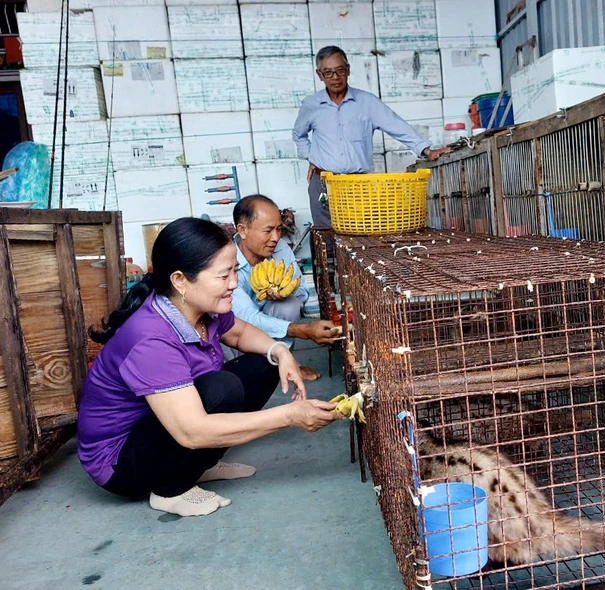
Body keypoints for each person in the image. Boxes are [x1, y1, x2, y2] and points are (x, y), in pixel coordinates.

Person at [77, 217, 343, 518]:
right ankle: (170, 489)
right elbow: (192, 432)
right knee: (221, 389)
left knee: (263, 364)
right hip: (120, 461)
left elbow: (241, 333)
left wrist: (280, 350)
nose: (233, 283)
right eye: (223, 276)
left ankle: (197, 464)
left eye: (233, 272)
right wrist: (289, 416)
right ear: (180, 281)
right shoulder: (150, 338)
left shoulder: (201, 308)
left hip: (161, 427)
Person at [292, 45, 451, 227]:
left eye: (340, 70)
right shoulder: (311, 105)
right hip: (322, 182)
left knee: (359, 235)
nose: (335, 77)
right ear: (319, 75)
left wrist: (426, 151)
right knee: (326, 239)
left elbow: (397, 126)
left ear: (348, 70)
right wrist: (312, 157)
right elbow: (299, 135)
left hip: (356, 184)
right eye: (328, 72)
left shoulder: (367, 102)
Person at [229, 194, 336, 380]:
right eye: (268, 230)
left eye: (279, 230)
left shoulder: (280, 248)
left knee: (289, 304)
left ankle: (287, 363)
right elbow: (247, 318)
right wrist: (303, 330)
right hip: (235, 331)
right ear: (242, 230)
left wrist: (285, 293)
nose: (276, 237)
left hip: (272, 316)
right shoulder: (227, 260)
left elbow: (301, 291)